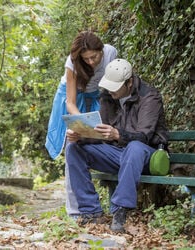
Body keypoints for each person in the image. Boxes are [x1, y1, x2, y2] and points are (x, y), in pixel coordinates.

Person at [65, 59, 168, 232]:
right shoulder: (108, 96)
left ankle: (120, 210)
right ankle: (91, 212)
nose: (110, 90)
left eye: (115, 86)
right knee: (74, 149)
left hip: (147, 156)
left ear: (129, 83)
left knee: (134, 147)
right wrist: (80, 136)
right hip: (118, 153)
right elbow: (101, 133)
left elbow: (144, 137)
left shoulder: (150, 96)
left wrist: (117, 134)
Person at [45, 31, 117, 216]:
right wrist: (82, 123)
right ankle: (75, 211)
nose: (91, 62)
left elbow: (112, 87)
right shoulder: (73, 63)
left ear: (101, 50)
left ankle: (100, 204)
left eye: (94, 57)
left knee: (100, 136)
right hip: (71, 97)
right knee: (73, 143)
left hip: (95, 96)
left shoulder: (111, 53)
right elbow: (70, 102)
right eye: (86, 59)